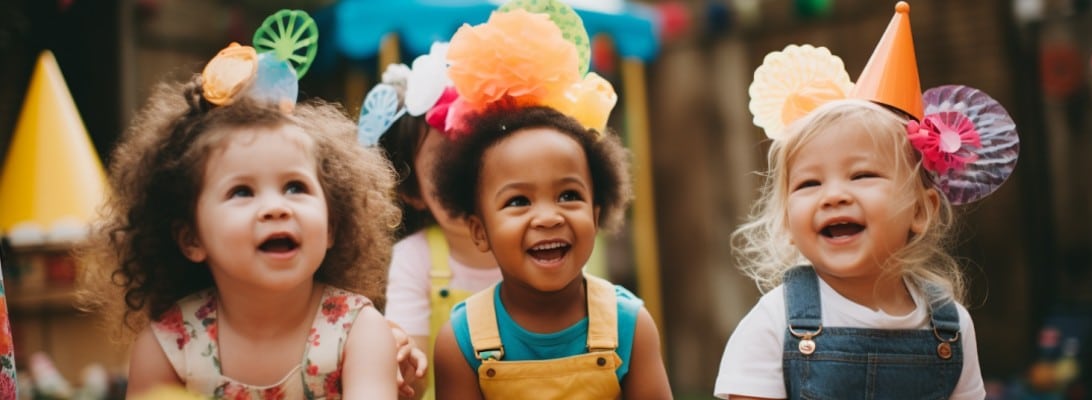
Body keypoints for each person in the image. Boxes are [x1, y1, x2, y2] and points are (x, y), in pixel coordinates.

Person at [714, 2, 1019, 399]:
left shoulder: (950, 327)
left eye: (863, 175)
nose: (835, 195)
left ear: (921, 210)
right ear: (787, 221)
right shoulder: (774, 324)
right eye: (808, 184)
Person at [79, 35, 410, 398]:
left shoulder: (359, 331)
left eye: (295, 187)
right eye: (242, 192)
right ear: (192, 239)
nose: (276, 207)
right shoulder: (169, 346)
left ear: (331, 225)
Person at [426, 3, 674, 398]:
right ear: (480, 230)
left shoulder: (629, 325)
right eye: (518, 201)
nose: (548, 216)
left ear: (596, 213)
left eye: (568, 195)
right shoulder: (462, 340)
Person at [358, 46, 502, 400]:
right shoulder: (415, 259)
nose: (464, 175)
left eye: (476, 152)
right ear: (413, 191)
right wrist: (400, 361)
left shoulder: (532, 241)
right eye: (444, 163)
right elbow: (414, 382)